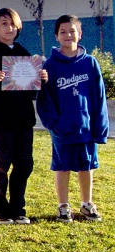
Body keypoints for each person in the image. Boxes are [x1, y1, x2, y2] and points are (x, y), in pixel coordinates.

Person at [0, 8, 48, 225]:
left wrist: (41, 78)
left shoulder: (24, 52)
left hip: (23, 118)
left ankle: (18, 208)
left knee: (24, 164)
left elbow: (31, 90)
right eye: (4, 23)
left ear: (18, 27)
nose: (9, 28)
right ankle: (0, 209)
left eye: (13, 24)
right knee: (0, 166)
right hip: (0, 120)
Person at [36, 14, 108, 223]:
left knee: (86, 165)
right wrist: (53, 123)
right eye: (63, 32)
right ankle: (63, 206)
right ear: (57, 36)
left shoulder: (90, 63)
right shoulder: (50, 65)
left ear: (80, 33)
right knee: (62, 166)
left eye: (72, 31)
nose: (68, 35)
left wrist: (99, 124)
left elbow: (99, 95)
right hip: (62, 129)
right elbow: (45, 99)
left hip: (86, 126)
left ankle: (87, 203)